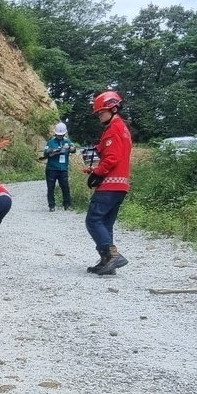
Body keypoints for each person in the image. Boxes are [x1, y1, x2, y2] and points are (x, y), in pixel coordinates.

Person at [83, 90, 133, 275]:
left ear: (113, 108)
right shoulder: (123, 129)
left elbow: (111, 159)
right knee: (105, 222)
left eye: (101, 112)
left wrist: (97, 171)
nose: (99, 116)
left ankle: (112, 255)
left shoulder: (114, 129)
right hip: (121, 185)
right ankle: (107, 261)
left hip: (110, 185)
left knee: (93, 220)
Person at [42, 122, 76, 212]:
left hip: (63, 169)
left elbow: (74, 149)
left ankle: (67, 204)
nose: (59, 136)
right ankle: (51, 205)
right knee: (51, 187)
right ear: (55, 133)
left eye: (61, 135)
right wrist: (53, 151)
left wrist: (69, 148)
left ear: (64, 133)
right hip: (51, 169)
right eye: (58, 134)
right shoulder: (50, 142)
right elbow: (45, 153)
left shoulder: (67, 142)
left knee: (65, 187)